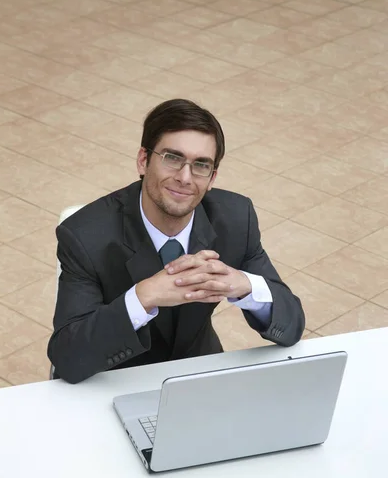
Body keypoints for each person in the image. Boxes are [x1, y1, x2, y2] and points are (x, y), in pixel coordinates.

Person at [48, 99, 305, 384]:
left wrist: (247, 286)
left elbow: (292, 324)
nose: (185, 177)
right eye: (172, 158)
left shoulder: (236, 218)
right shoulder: (84, 235)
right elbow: (68, 357)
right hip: (113, 379)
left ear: (212, 178)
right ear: (143, 160)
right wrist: (143, 297)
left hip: (197, 373)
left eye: (201, 165)